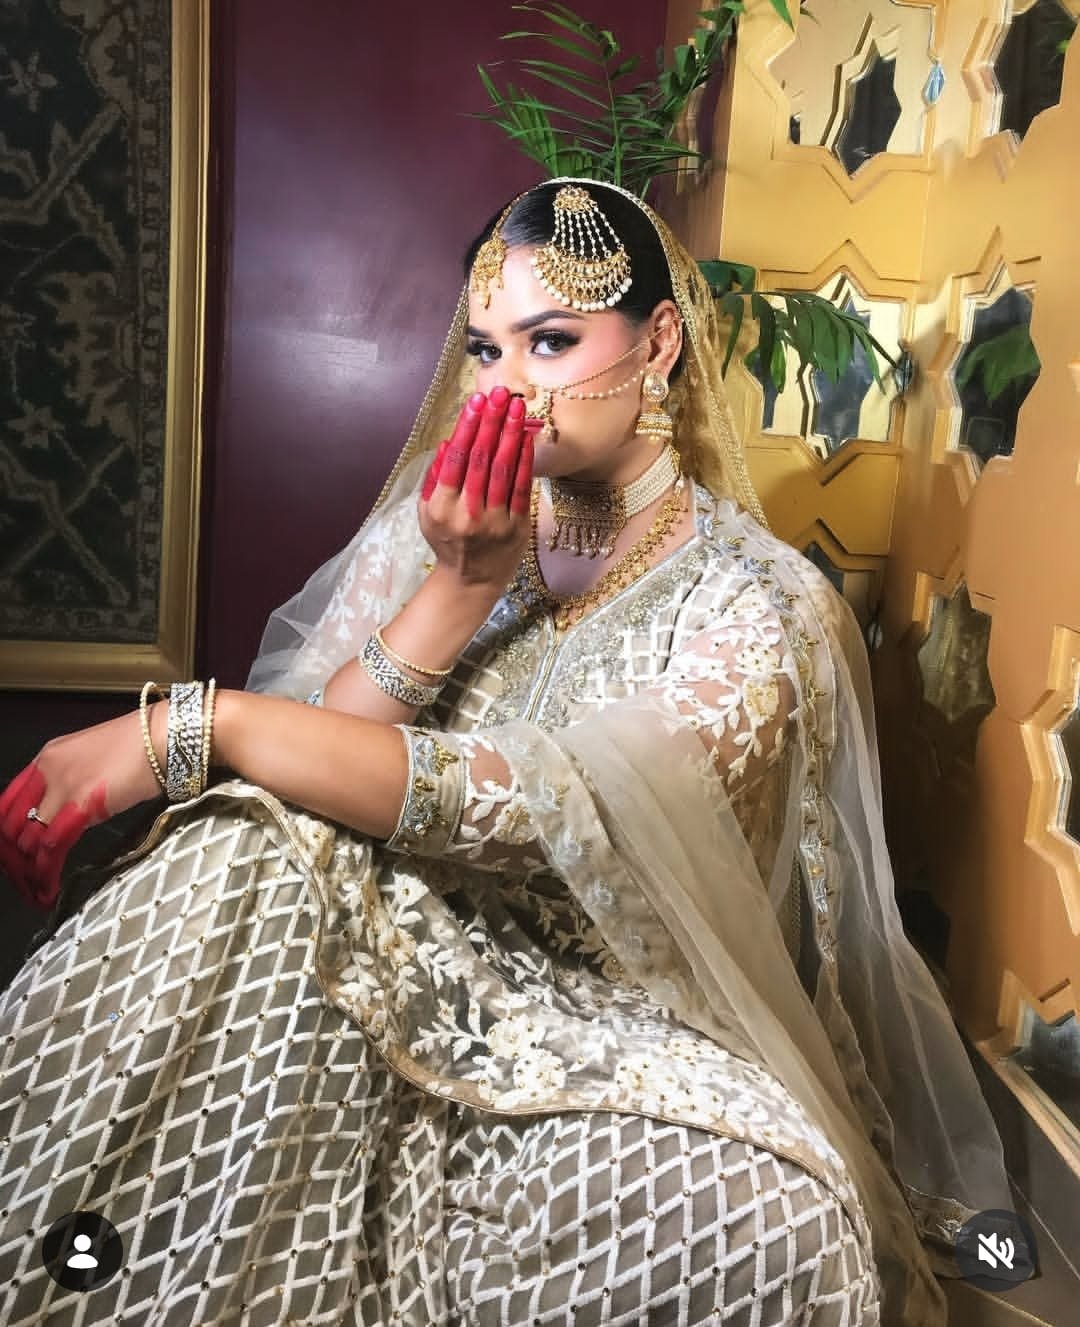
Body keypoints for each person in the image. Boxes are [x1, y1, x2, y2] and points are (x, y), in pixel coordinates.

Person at [0, 178, 1011, 1326]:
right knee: (242, 849)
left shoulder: (756, 603)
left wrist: (193, 724)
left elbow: (542, 811)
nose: (508, 386)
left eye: (552, 340)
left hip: (608, 1013)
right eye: (487, 349)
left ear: (659, 343)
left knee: (773, 1228)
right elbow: (313, 762)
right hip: (385, 955)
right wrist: (457, 589)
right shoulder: (438, 532)